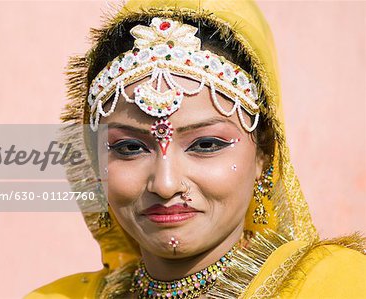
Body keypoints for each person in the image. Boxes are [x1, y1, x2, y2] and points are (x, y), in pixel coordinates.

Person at [25, 0, 366, 298]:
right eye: (129, 147)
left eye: (206, 144)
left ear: (264, 152)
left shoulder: (338, 286)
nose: (166, 184)